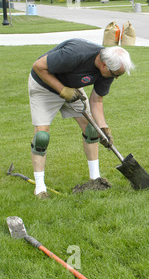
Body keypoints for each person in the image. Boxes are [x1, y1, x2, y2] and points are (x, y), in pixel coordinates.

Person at [28, 38, 135, 199]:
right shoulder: (75, 54)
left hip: (72, 89)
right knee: (41, 136)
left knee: (93, 130)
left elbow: (97, 100)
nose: (116, 78)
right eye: (115, 74)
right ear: (104, 65)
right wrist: (62, 90)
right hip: (45, 87)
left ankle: (95, 179)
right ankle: (40, 188)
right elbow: (38, 66)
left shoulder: (109, 71)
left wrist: (103, 129)